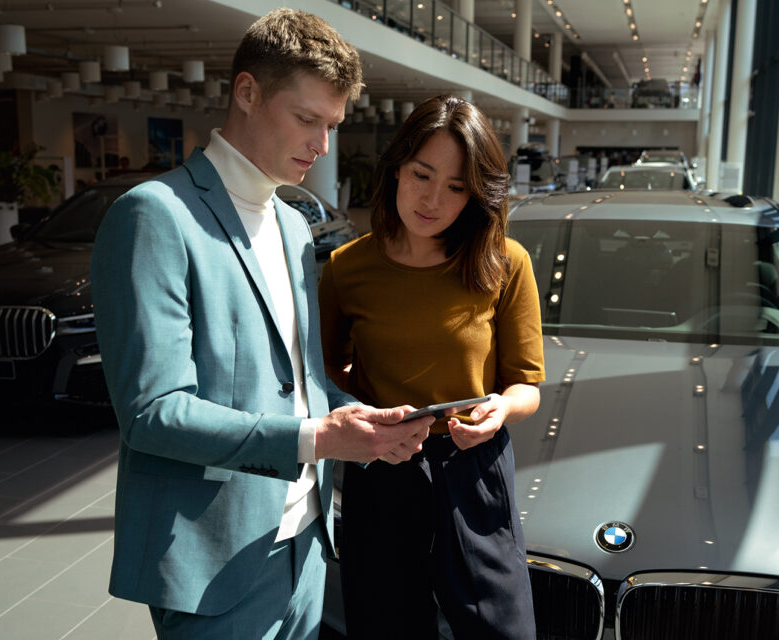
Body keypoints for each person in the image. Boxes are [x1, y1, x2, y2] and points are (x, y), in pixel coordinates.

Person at [90, 9, 433, 640]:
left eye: (332, 125)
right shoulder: (155, 216)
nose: (322, 145)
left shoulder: (294, 224)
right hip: (213, 561)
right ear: (246, 92)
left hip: (306, 546)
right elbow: (152, 412)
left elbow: (298, 381)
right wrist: (315, 439)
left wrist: (365, 420)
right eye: (308, 119)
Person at [318, 95, 545, 639]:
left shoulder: (504, 262)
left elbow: (527, 386)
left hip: (475, 466)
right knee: (385, 623)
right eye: (422, 174)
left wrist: (501, 409)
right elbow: (324, 375)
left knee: (501, 628)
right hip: (384, 464)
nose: (432, 199)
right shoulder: (348, 269)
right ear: (397, 166)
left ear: (476, 194)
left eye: (456, 186)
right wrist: (365, 415)